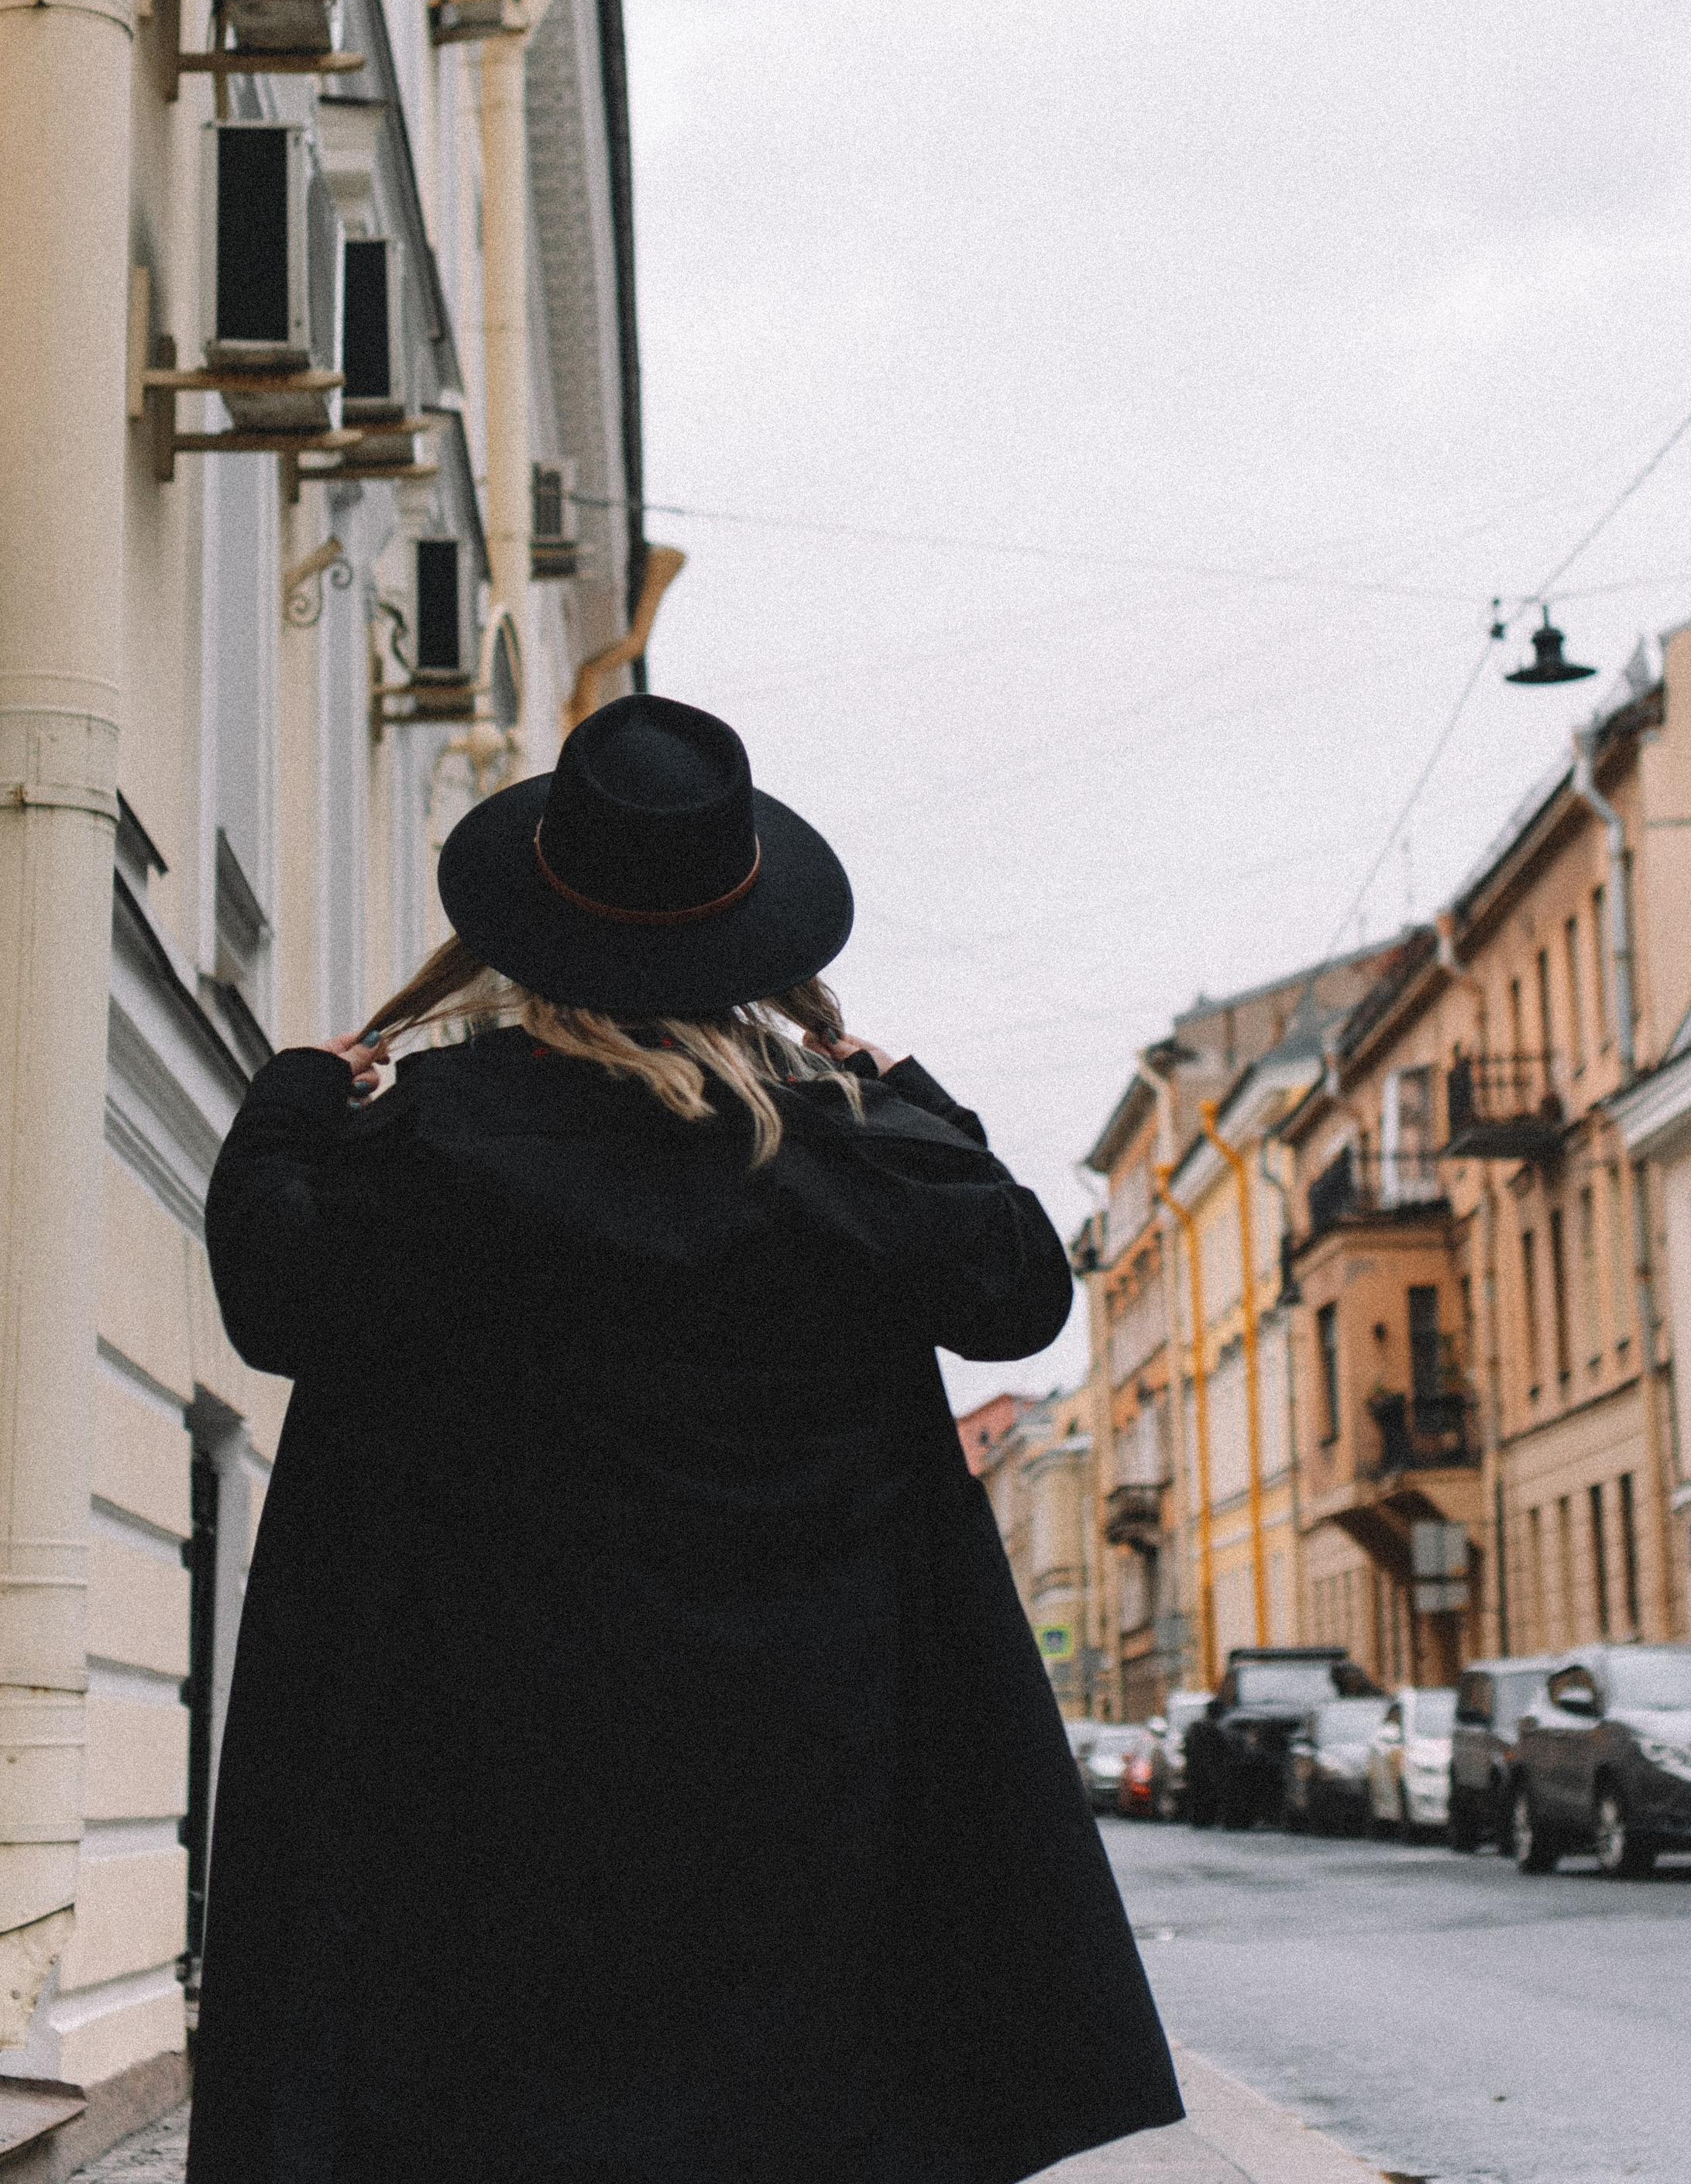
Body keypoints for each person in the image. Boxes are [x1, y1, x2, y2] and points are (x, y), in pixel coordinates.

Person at [184, 695, 1183, 2184]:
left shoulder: (433, 1144)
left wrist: (300, 1092)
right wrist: (900, 1084)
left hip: (485, 1788)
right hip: (803, 1783)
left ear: (528, 926)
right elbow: (1022, 1287)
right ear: (759, 948)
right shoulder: (843, 1154)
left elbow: (274, 1293)